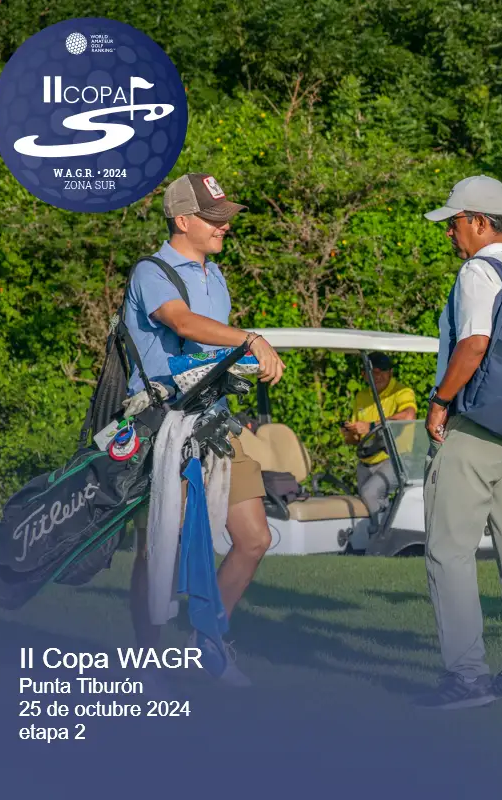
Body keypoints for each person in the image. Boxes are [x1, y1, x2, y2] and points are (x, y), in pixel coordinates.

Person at [126, 172, 286, 688]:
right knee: (160, 545)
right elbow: (184, 323)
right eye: (214, 218)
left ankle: (208, 642)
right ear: (182, 220)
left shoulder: (215, 275)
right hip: (162, 425)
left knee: (254, 538)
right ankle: (148, 664)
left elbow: (209, 350)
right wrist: (250, 340)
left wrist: (240, 361)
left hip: (215, 422)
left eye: (225, 216)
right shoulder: (151, 271)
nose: (225, 226)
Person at [415, 175, 502, 710]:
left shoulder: (478, 271)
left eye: (454, 223)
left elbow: (474, 344)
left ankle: (467, 677)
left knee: (449, 551)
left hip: (476, 429)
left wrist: (439, 401)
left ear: (478, 221)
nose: (450, 233)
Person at [341, 351, 418, 529]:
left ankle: (382, 536)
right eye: (373, 372)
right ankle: (375, 534)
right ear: (364, 374)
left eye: (382, 371)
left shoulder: (402, 391)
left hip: (396, 459)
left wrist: (370, 426)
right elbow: (356, 439)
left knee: (370, 493)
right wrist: (350, 433)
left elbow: (409, 415)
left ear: (390, 372)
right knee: (363, 501)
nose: (378, 376)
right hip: (367, 460)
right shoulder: (361, 396)